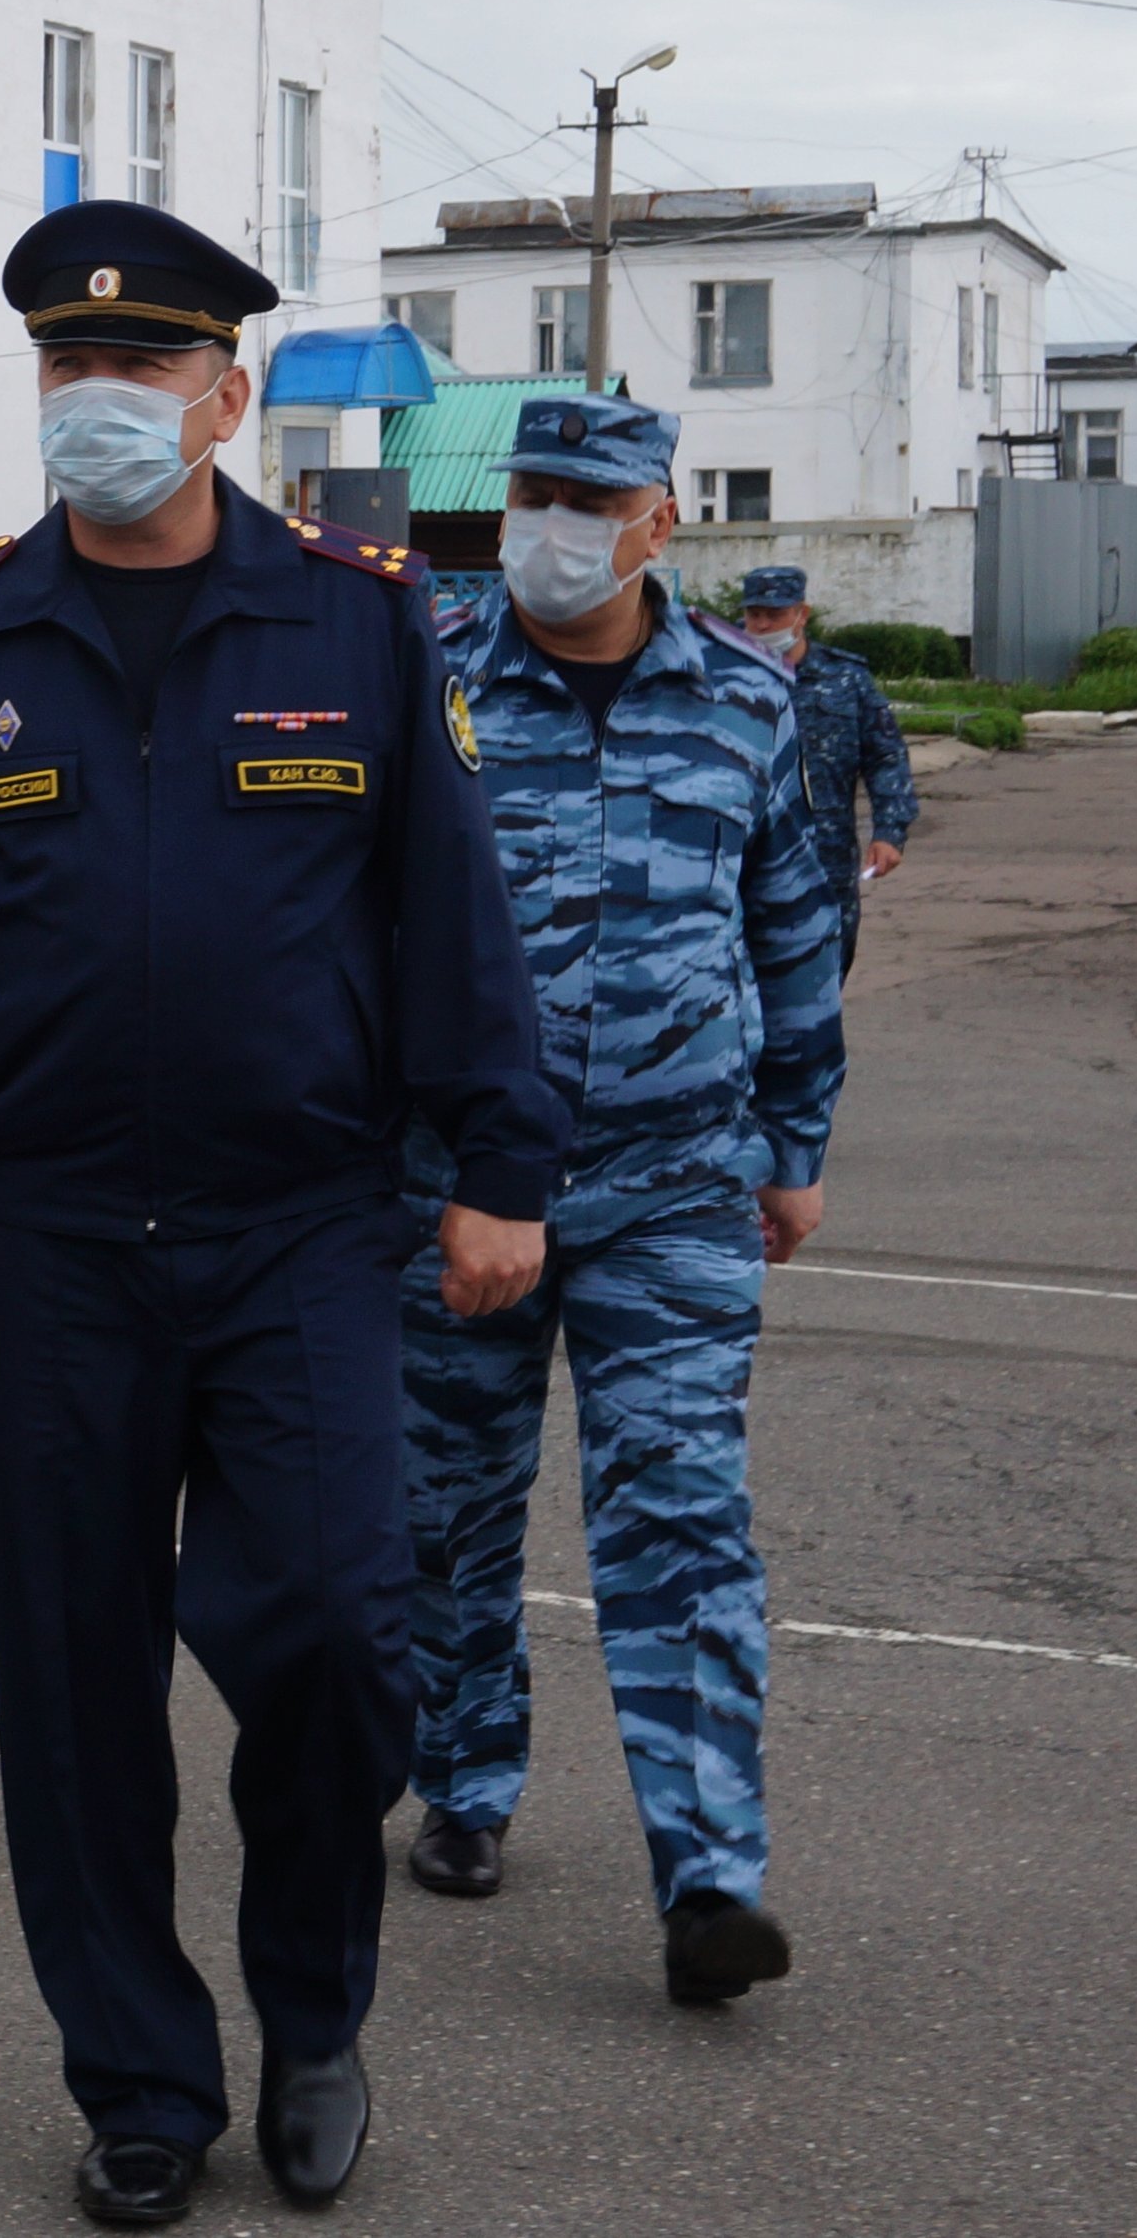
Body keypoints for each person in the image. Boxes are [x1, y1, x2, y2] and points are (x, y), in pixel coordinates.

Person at [0, 203, 567, 2227]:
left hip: (299, 1219)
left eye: (139, 371)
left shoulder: (352, 618)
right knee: (70, 1675)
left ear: (224, 399)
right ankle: (136, 2073)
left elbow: (443, 914)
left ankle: (311, 2009)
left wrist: (498, 1163)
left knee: (320, 1630)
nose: (97, 402)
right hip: (45, 1235)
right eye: (63, 368)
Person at [398, 399, 844, 2016]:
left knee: (678, 1515)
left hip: (674, 1189)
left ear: (661, 520)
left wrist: (795, 1139)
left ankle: (711, 1874)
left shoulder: (746, 698)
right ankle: (463, 1774)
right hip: (450, 1188)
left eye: (592, 497)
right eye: (533, 492)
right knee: (447, 1509)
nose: (555, 523)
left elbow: (793, 925)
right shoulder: (426, 671)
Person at [732, 564, 915, 980]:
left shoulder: (846, 679)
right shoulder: (725, 676)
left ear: (802, 615)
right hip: (743, 862)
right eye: (754, 614)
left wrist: (890, 832)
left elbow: (886, 756)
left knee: (823, 982)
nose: (761, 625)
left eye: (774, 615)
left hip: (825, 862)